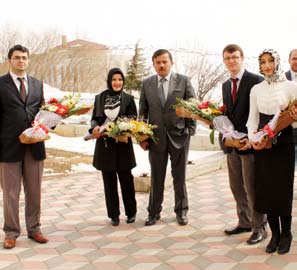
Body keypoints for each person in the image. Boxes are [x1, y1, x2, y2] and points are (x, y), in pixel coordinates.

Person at [247, 49, 297, 254]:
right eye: (263, 62)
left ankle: (286, 234)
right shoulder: (256, 89)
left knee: (282, 190)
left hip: (284, 143)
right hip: (263, 144)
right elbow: (252, 119)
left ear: (277, 63)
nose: (267, 65)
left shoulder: (291, 86)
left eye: (270, 61)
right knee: (266, 190)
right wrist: (253, 140)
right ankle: (274, 234)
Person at [139, 49, 196, 226]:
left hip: (179, 136)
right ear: (154, 64)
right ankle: (154, 212)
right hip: (156, 138)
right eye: (158, 62)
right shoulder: (147, 84)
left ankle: (181, 212)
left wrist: (190, 131)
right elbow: (143, 112)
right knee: (157, 177)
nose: (161, 65)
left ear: (171, 62)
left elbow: (193, 106)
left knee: (179, 176)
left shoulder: (183, 80)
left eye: (164, 61)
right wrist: (142, 136)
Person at [0, 45, 48, 249]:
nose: (21, 61)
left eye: (24, 58)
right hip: (8, 146)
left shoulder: (37, 84)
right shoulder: (1, 84)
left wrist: (48, 124)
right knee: (11, 192)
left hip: (34, 146)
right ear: (9, 60)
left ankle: (34, 228)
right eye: (17, 58)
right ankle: (11, 232)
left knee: (34, 190)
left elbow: (44, 110)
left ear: (28, 60)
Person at [221, 44, 267, 245]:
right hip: (232, 145)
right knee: (236, 186)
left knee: (252, 188)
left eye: (234, 57)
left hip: (250, 145)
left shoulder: (256, 81)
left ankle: (260, 228)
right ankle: (245, 221)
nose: (231, 61)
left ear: (242, 58)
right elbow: (227, 114)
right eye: (227, 58)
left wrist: (253, 138)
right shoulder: (225, 85)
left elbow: (263, 113)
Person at [90, 67, 137, 226]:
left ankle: (131, 212)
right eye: (114, 80)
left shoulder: (129, 99)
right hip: (105, 146)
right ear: (109, 81)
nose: (117, 83)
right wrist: (94, 128)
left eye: (120, 80)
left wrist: (122, 129)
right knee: (109, 182)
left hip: (123, 144)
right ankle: (114, 215)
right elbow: (95, 119)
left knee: (126, 180)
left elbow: (133, 120)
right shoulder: (100, 98)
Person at [285, 49, 297, 163]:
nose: (296, 61)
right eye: (294, 58)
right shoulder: (281, 79)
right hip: (287, 130)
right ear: (289, 60)